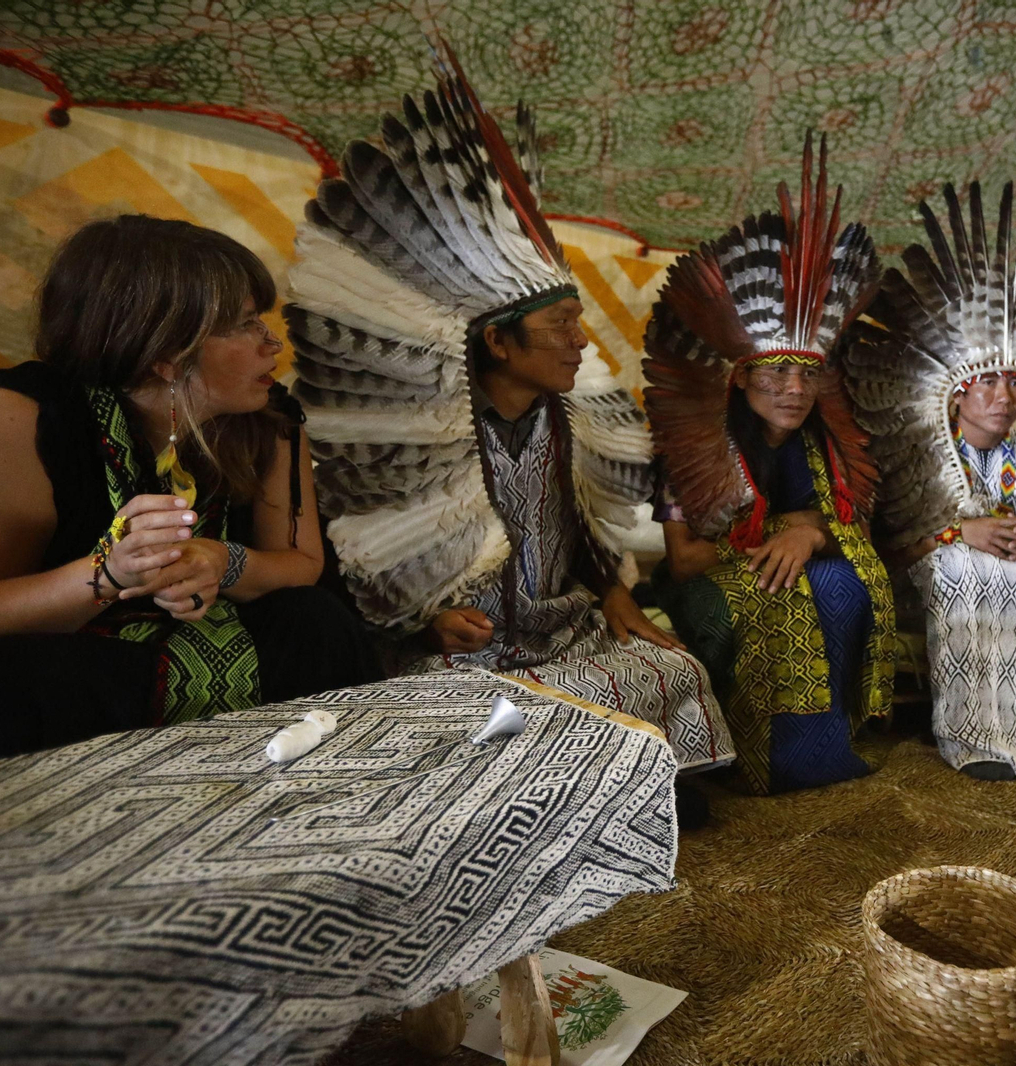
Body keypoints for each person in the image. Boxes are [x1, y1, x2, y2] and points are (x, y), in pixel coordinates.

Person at [287, 57, 733, 786]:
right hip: (462, 650)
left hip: (564, 633)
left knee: (670, 666)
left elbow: (588, 536)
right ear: (498, 341)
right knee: (498, 708)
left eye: (579, 321)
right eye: (561, 324)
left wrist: (614, 592)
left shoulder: (572, 421)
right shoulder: (422, 425)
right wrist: (421, 619)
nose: (582, 341)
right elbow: (360, 549)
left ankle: (610, 785)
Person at [0, 215, 381, 757]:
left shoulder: (270, 420)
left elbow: (301, 563)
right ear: (166, 354)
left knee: (313, 619)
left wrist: (222, 561)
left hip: (211, 632)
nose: (272, 343)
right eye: (245, 324)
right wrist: (109, 573)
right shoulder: (24, 419)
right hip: (80, 652)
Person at [644, 135, 895, 795]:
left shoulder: (823, 438)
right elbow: (686, 558)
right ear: (741, 375)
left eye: (807, 374)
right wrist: (783, 535)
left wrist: (807, 532)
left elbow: (853, 525)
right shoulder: (696, 438)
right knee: (773, 596)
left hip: (788, 556)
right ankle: (752, 756)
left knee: (844, 583)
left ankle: (827, 745)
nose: (793, 388)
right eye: (777, 370)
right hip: (708, 580)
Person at [846, 180, 1016, 781]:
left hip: (1015, 564)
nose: (1003, 397)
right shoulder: (922, 449)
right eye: (987, 383)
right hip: (936, 565)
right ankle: (977, 736)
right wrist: (957, 536)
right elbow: (886, 545)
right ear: (958, 392)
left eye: (1014, 383)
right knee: (964, 568)